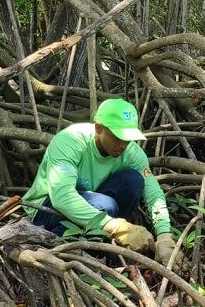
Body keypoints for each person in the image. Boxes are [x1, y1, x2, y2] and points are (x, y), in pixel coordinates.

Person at [23, 98, 177, 264]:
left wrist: (164, 236)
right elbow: (62, 197)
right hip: (45, 210)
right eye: (118, 137)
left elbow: (153, 192)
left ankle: (104, 245)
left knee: (134, 181)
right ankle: (58, 245)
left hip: (93, 205)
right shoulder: (71, 141)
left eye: (128, 139)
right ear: (99, 128)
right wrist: (115, 227)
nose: (123, 145)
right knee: (106, 205)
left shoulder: (131, 152)